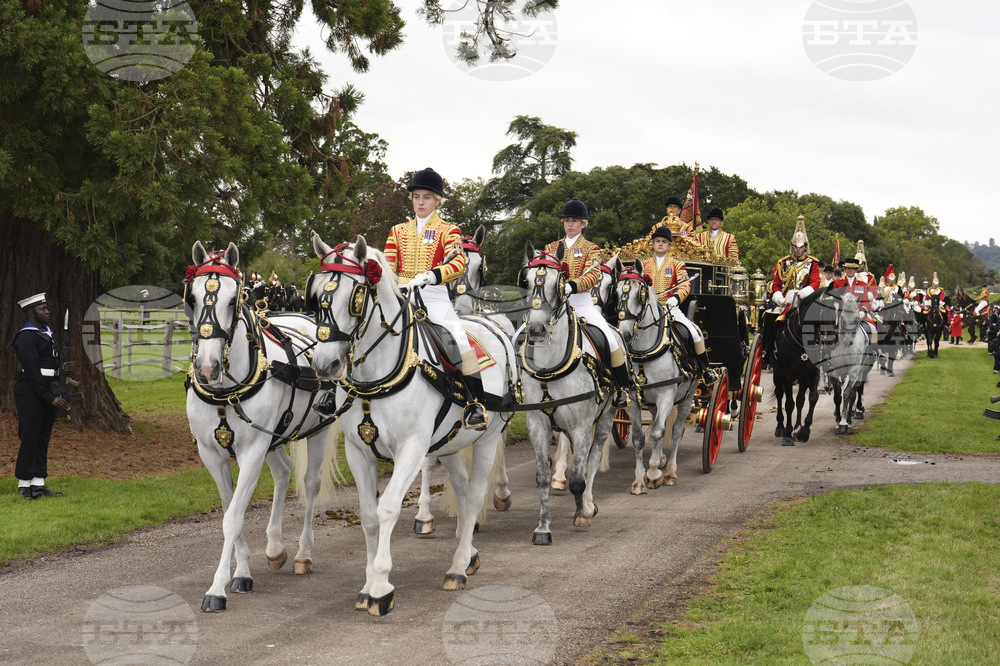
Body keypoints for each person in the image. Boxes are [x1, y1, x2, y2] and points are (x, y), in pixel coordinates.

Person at [383, 167, 486, 430]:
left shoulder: (449, 230)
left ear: (437, 200)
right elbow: (389, 264)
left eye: (426, 197)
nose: (420, 202)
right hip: (401, 296)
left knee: (459, 340)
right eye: (416, 197)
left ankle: (475, 404)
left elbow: (458, 263)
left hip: (434, 297)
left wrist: (431, 275)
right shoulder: (397, 231)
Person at [544, 198, 633, 407]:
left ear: (583, 224)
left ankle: (623, 388)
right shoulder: (550, 247)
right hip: (554, 303)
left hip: (581, 302)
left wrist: (572, 286)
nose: (570, 225)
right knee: (527, 332)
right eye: (567, 221)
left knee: (610, 340)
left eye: (574, 221)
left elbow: (593, 274)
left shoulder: (591, 249)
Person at [11, 293, 72, 499]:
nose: (47, 311)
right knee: (30, 437)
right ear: (31, 312)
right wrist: (49, 398)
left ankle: (38, 484)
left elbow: (49, 360)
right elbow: (33, 371)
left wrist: (62, 366)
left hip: (48, 388)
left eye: (47, 308)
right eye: (42, 309)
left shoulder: (46, 332)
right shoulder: (26, 336)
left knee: (42, 438)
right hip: (31, 391)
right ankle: (24, 485)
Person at [642, 226, 718, 382]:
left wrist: (676, 298)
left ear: (670, 245)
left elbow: (685, 285)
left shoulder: (677, 264)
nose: (660, 244)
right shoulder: (643, 265)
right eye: (657, 241)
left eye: (664, 241)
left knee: (694, 333)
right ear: (653, 244)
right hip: (646, 310)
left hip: (669, 308)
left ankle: (706, 370)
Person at [831, 256, 879, 345]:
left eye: (852, 268)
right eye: (848, 268)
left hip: (857, 313)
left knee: (873, 328)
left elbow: (865, 301)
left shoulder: (862, 284)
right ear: (845, 269)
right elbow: (835, 300)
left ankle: (874, 351)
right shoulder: (837, 283)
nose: (850, 270)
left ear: (856, 269)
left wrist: (863, 311)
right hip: (841, 314)